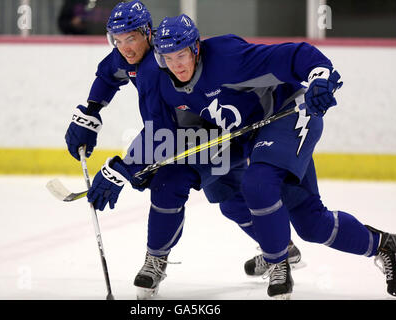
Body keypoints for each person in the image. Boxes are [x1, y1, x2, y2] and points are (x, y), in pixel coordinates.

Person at [147, 14, 396, 299]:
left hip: (289, 115)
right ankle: (386, 245)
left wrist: (320, 75)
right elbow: (181, 130)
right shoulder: (167, 85)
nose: (176, 64)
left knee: (259, 184)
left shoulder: (228, 57)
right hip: (250, 136)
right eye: (167, 58)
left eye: (181, 54)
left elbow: (295, 55)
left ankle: (277, 261)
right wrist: (138, 164)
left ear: (195, 48)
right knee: (305, 222)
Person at [64, 1, 302, 299]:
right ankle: (281, 249)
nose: (125, 47)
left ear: (148, 33)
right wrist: (91, 110)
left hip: (207, 137)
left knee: (169, 183)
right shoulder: (129, 55)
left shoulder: (155, 67)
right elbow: (109, 74)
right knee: (230, 201)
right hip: (195, 135)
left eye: (131, 38)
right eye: (118, 39)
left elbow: (160, 133)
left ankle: (155, 260)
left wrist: (123, 169)